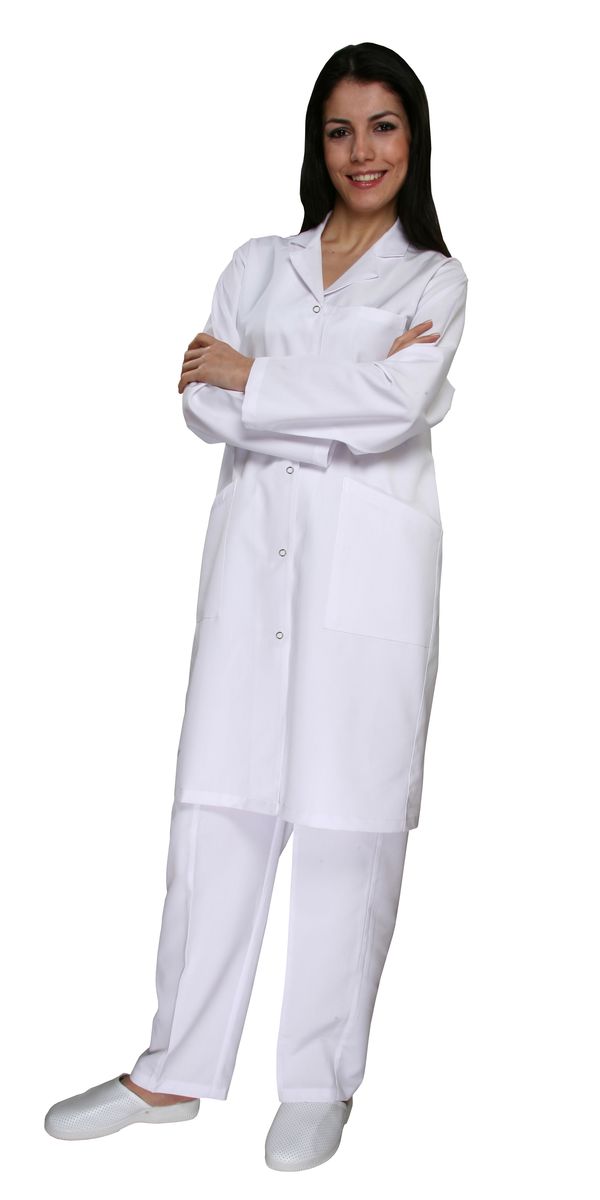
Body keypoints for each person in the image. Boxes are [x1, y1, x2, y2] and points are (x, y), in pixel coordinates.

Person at [44, 41, 468, 1171]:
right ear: (316, 145)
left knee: (346, 827)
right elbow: (204, 400)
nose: (362, 150)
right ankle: (171, 1070)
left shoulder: (434, 282)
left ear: (414, 139)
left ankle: (319, 1084)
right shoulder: (258, 263)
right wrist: (328, 398)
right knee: (216, 812)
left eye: (383, 126)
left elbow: (395, 408)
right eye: (340, 129)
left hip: (366, 587)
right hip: (252, 576)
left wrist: (263, 381)